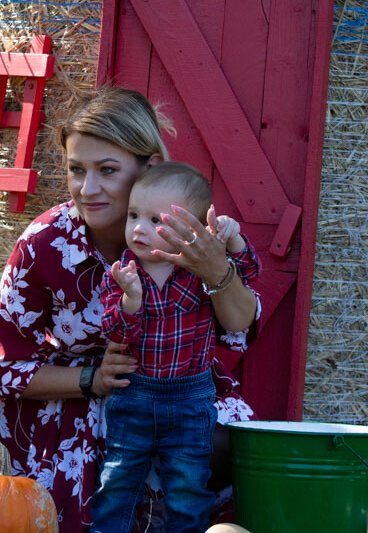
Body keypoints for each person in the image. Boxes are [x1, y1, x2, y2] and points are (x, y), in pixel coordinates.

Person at [0, 87, 260, 532]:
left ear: (150, 167)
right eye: (76, 170)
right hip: (76, 397)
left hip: (175, 389)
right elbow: (1, 371)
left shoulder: (188, 235)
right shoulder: (45, 245)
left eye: (107, 170)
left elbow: (239, 327)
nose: (88, 189)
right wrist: (93, 379)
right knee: (109, 464)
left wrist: (217, 269)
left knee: (225, 443)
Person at [91, 162, 259, 533]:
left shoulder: (200, 270)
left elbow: (247, 275)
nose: (139, 228)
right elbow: (114, 331)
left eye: (156, 220)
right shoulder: (122, 274)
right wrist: (131, 300)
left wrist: (233, 241)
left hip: (190, 399)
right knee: (118, 479)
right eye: (134, 215)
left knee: (188, 485)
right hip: (135, 394)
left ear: (191, 230)